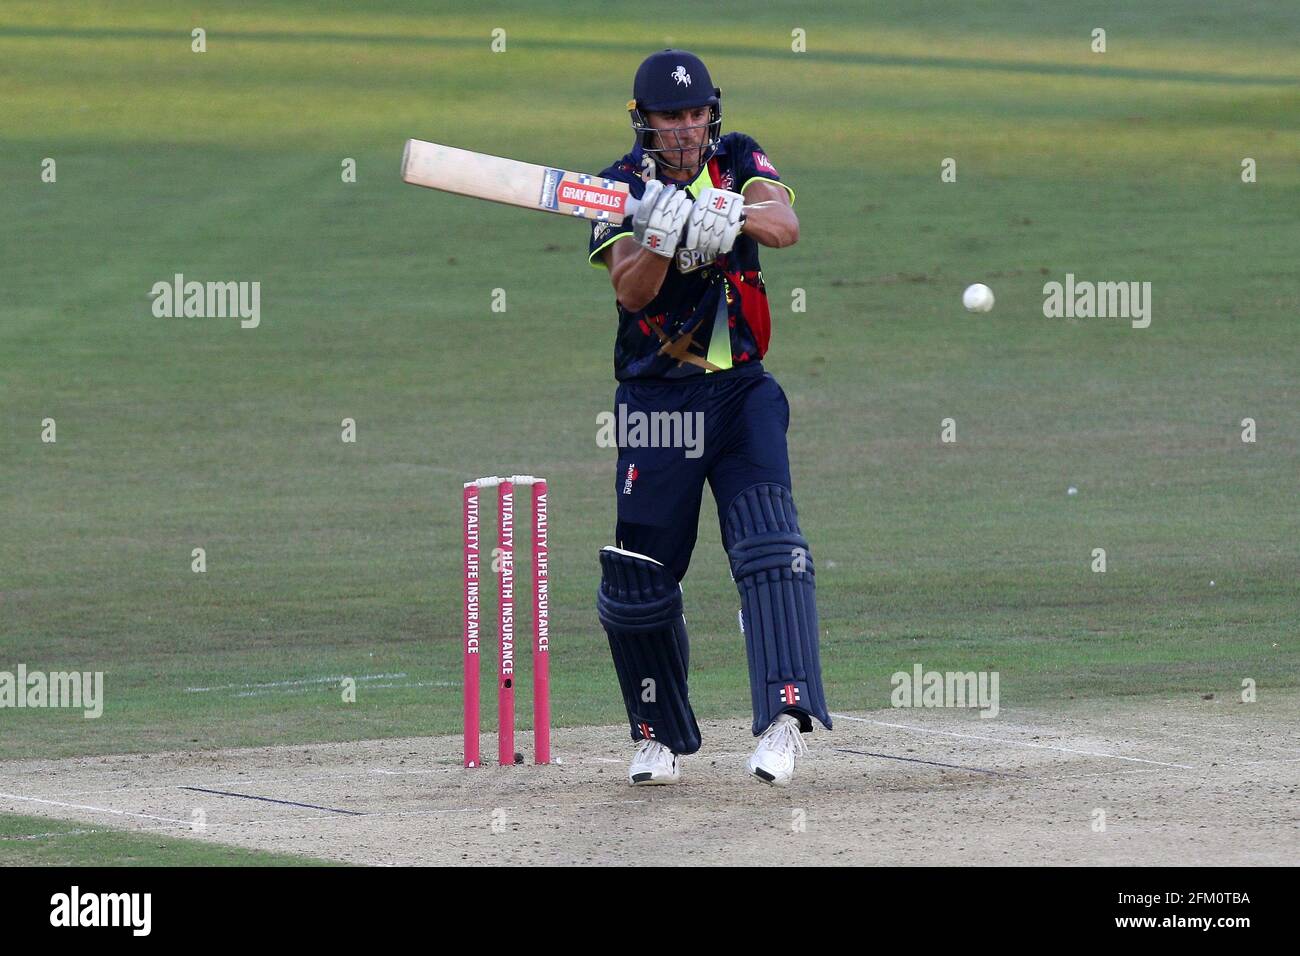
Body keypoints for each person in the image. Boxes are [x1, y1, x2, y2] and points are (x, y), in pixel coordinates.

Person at [589, 50, 831, 787]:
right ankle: (658, 736)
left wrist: (732, 212)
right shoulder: (616, 187)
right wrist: (663, 237)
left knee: (770, 544)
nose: (689, 131)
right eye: (673, 119)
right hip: (657, 401)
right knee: (642, 581)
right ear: (645, 124)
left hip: (740, 390)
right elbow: (630, 291)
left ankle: (784, 723)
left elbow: (785, 224)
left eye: (697, 115)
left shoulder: (735, 158)